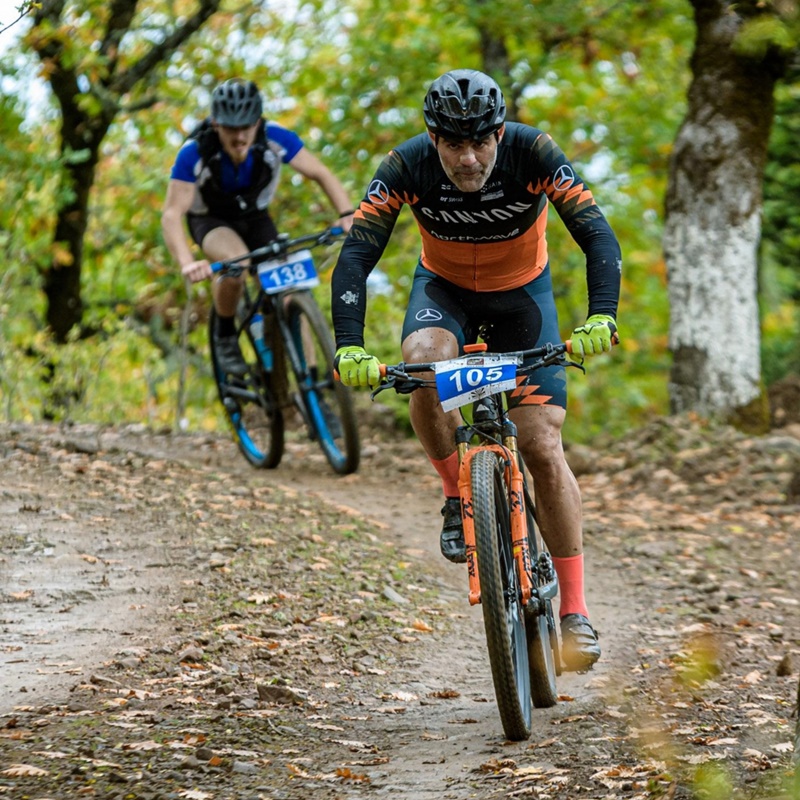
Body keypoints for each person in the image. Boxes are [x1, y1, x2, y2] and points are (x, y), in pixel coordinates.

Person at [330, 69, 621, 672]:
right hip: (445, 294)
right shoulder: (404, 165)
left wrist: (601, 317)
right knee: (422, 365)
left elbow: (596, 236)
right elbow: (357, 253)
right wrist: (349, 347)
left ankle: (575, 611)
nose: (468, 158)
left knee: (542, 446)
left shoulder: (534, 152)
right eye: (452, 144)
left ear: (499, 131)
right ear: (431, 137)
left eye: (481, 141)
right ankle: (454, 495)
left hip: (524, 301)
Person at [162, 78, 355, 376]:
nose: (239, 137)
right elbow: (172, 214)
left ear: (258, 122)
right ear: (216, 124)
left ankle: (315, 382)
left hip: (256, 217)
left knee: (291, 290)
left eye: (246, 127)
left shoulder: (274, 136)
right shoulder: (195, 151)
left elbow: (319, 172)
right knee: (237, 265)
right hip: (210, 220)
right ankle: (225, 335)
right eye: (230, 128)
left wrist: (346, 213)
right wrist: (187, 263)